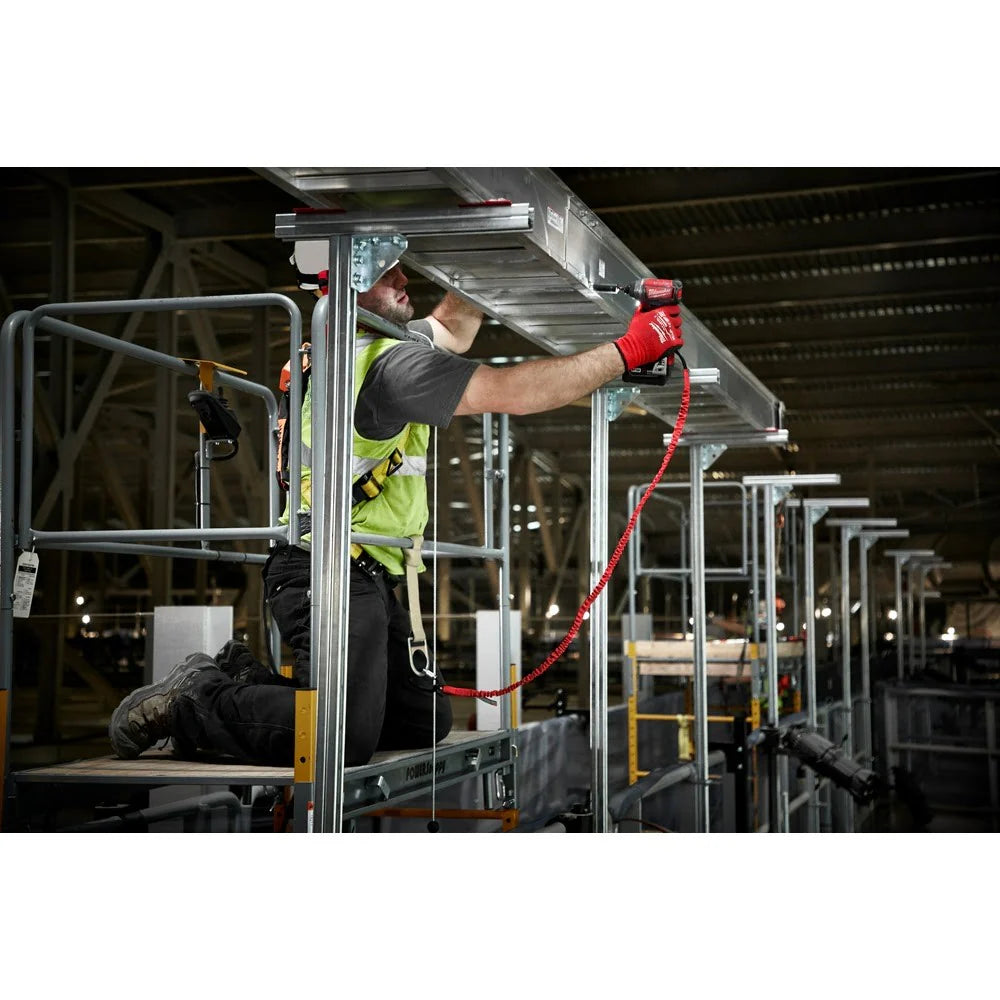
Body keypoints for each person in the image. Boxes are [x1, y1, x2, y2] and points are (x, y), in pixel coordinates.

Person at [108, 263, 683, 768]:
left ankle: (244, 678)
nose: (406, 278)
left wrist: (490, 271)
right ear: (347, 282)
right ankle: (193, 699)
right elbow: (510, 390)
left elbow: (454, 326)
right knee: (341, 736)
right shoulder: (385, 366)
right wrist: (629, 350)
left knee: (422, 721)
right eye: (387, 272)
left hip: (365, 569)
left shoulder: (355, 344)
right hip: (327, 570)